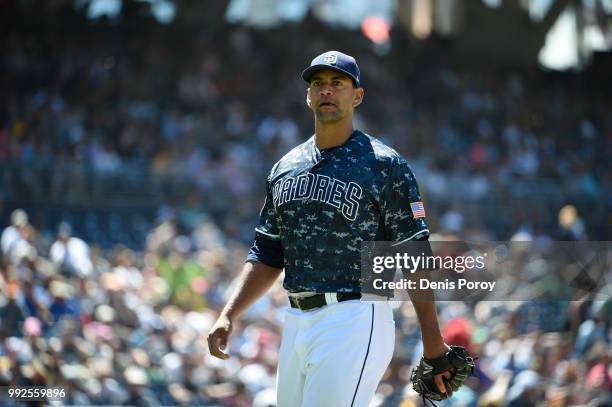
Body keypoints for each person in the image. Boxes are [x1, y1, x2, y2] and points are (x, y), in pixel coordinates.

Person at [208, 51, 453, 406]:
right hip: (296, 319)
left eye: (337, 83)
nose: (326, 90)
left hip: (355, 315)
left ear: (357, 95)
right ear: (308, 96)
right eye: (318, 83)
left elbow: (414, 252)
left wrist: (432, 342)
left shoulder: (385, 165)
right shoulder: (285, 168)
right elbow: (267, 253)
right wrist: (229, 314)